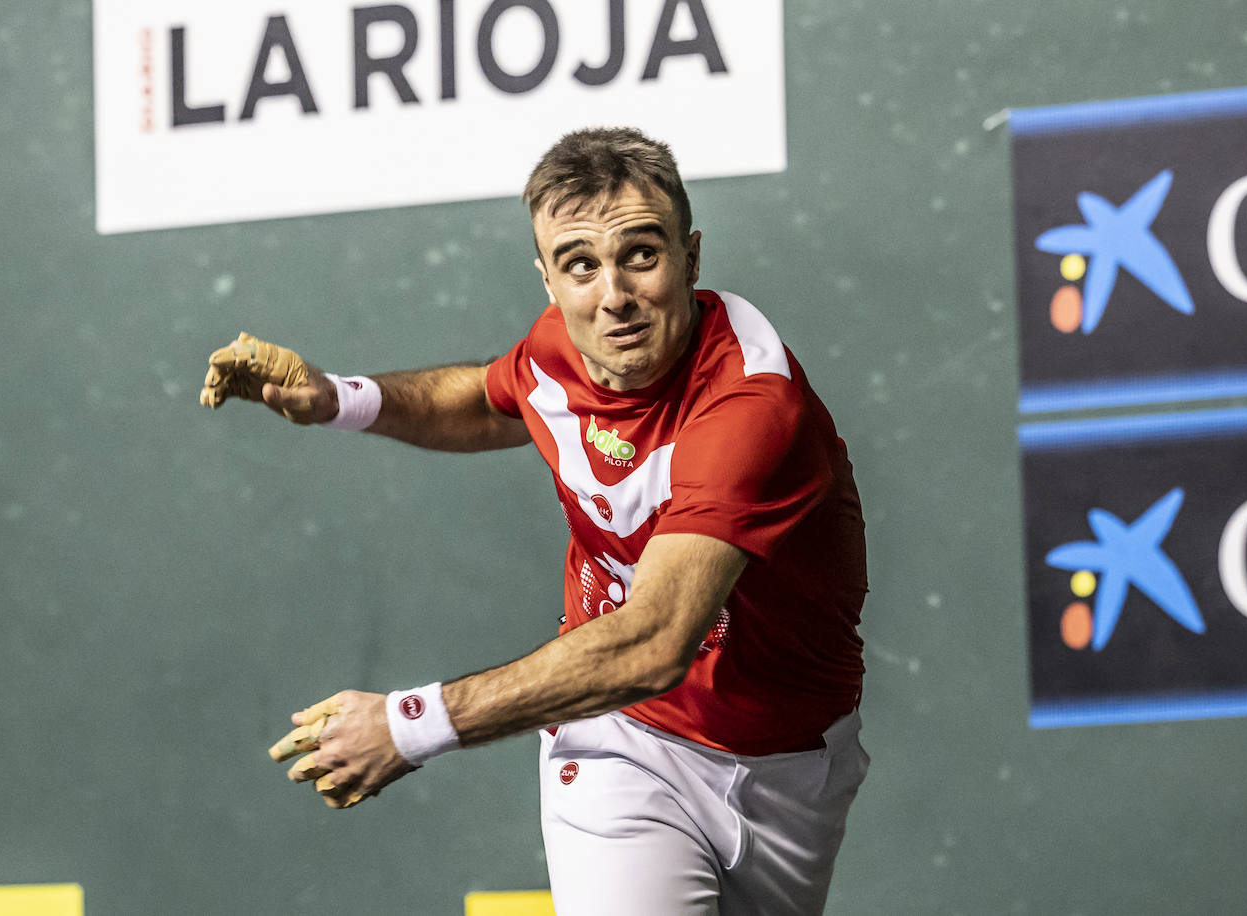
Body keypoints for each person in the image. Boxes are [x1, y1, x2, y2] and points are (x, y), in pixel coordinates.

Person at [201, 127, 869, 915]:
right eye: (580, 265)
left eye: (641, 256)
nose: (612, 295)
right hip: (620, 740)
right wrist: (336, 399)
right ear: (548, 280)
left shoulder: (751, 406)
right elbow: (491, 401)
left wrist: (407, 726)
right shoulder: (563, 351)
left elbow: (656, 640)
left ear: (692, 258)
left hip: (790, 768)